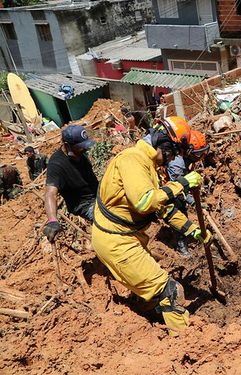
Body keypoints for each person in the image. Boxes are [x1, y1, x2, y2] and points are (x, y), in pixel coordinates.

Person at [92, 117, 213, 336]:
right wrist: (183, 183)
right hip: (117, 242)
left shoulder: (148, 165)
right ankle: (187, 341)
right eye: (172, 154)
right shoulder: (133, 160)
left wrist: (192, 230)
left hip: (126, 238)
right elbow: (145, 201)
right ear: (164, 144)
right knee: (170, 290)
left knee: (149, 290)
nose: (172, 160)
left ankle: (150, 314)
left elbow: (163, 209)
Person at [43, 125, 98, 242]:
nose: (84, 149)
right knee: (108, 218)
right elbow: (50, 193)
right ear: (67, 145)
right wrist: (52, 220)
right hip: (85, 204)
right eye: (80, 147)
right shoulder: (56, 164)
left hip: (98, 195)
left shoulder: (78, 153)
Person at [166, 130, 209, 256]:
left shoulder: (187, 156)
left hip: (177, 185)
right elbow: (178, 190)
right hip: (168, 188)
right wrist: (193, 202)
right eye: (198, 154)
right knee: (179, 211)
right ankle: (181, 243)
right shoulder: (177, 164)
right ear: (189, 151)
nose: (200, 157)